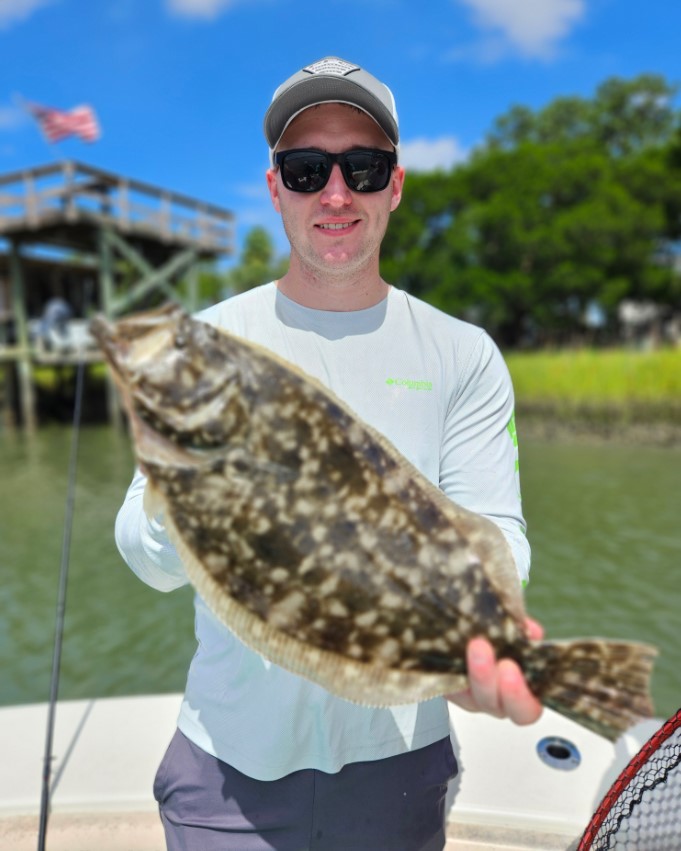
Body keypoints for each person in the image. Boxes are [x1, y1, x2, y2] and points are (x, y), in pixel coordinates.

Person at [115, 56, 543, 851]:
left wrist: (482, 629)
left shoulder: (462, 352)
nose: (336, 193)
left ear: (395, 185)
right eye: (306, 170)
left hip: (399, 758)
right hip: (227, 759)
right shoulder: (207, 342)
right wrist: (189, 498)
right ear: (275, 188)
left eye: (363, 168)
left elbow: (499, 534)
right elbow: (145, 558)